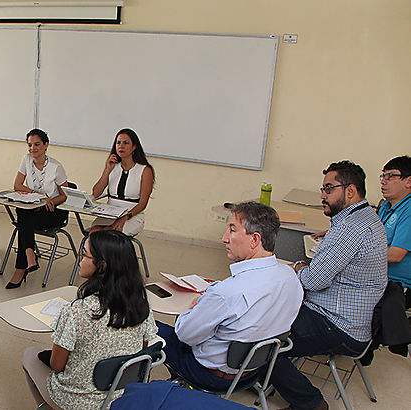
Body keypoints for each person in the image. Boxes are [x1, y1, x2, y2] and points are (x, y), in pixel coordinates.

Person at [271, 160, 387, 410]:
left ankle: (311, 404)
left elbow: (314, 281)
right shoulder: (366, 216)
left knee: (262, 339)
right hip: (346, 317)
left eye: (328, 189)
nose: (322, 196)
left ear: (350, 191)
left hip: (338, 324)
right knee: (272, 310)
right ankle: (262, 375)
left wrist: (299, 267)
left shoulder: (350, 228)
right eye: (323, 189)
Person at [156, 201, 303, 390]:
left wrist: (194, 309)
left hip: (212, 376)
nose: (224, 238)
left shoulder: (227, 292)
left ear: (255, 240)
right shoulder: (290, 276)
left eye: (232, 230)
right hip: (255, 369)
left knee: (152, 328)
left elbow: (185, 335)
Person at [21, 230, 161, 409]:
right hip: (123, 396)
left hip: (77, 401)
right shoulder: (141, 306)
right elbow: (141, 352)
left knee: (29, 355)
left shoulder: (77, 311)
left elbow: (56, 366)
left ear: (101, 266)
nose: (79, 259)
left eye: (84, 254)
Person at [6, 128, 69, 288]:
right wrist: (38, 196)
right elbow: (17, 185)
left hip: (53, 210)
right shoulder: (26, 160)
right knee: (23, 211)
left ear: (46, 145)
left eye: (37, 144)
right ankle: (28, 255)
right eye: (29, 145)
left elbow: (65, 195)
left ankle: (22, 266)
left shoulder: (56, 167)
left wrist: (49, 201)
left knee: (23, 220)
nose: (32, 149)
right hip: (33, 207)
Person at [90, 128, 154, 236]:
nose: (121, 146)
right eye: (118, 143)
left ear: (134, 147)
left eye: (126, 143)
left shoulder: (145, 170)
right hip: (110, 212)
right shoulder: (113, 166)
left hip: (132, 215)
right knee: (94, 231)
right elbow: (96, 193)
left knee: (109, 234)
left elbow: (143, 204)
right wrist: (107, 170)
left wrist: (125, 217)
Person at [377, 155, 411, 305]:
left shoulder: (409, 210)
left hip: (398, 286)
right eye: (383, 176)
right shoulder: (386, 206)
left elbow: (396, 255)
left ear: (409, 181)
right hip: (377, 278)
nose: (384, 181)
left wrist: (353, 255)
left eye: (391, 176)